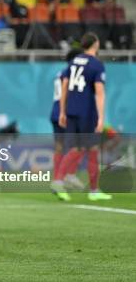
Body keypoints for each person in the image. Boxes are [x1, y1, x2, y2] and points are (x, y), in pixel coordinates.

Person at [54, 33, 112, 201]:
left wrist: (63, 111)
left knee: (89, 149)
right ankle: (58, 181)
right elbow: (99, 93)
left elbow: (65, 86)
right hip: (86, 111)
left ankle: (94, 190)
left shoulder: (74, 62)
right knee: (83, 148)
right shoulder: (96, 65)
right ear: (96, 44)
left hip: (71, 110)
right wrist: (101, 118)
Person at [49, 48, 85, 191]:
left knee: (59, 146)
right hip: (67, 111)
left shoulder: (60, 72)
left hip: (55, 111)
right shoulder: (74, 73)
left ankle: (58, 178)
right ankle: (68, 175)